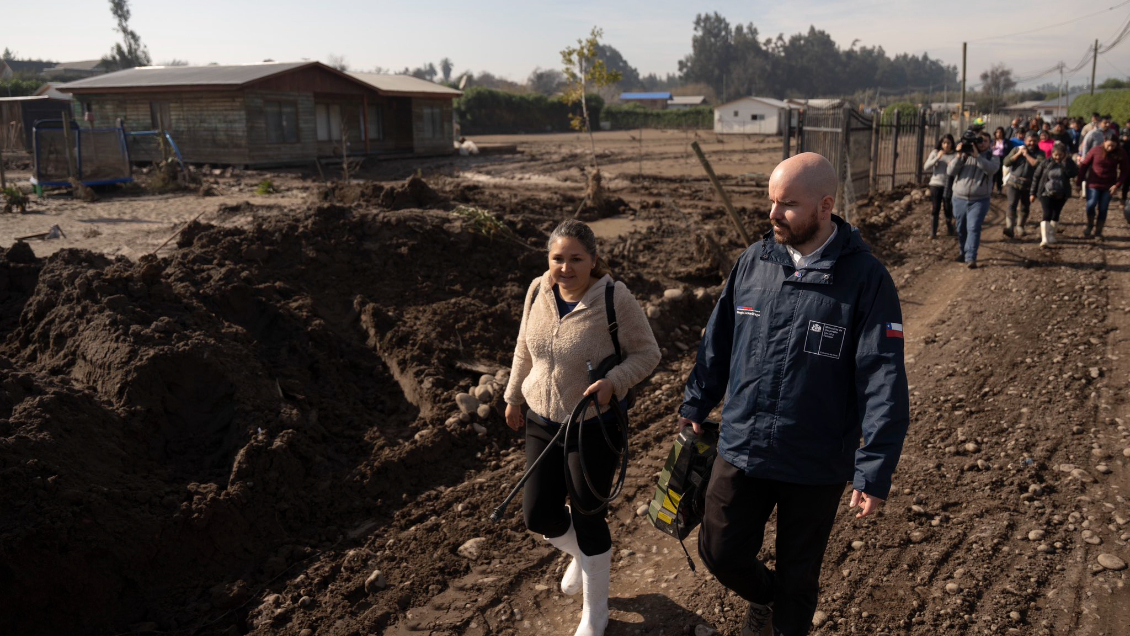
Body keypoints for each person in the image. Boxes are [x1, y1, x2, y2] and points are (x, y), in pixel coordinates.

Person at [678, 152, 910, 636]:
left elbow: (882, 377)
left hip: (815, 459)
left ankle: (784, 617)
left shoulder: (866, 279)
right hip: (743, 444)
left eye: (787, 204)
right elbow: (718, 340)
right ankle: (765, 597)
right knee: (719, 550)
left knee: (799, 577)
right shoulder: (754, 261)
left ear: (825, 207)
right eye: (771, 201)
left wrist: (874, 466)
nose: (773, 214)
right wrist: (697, 400)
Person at [503, 219, 660, 636]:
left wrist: (614, 382)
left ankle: (596, 612)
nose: (565, 267)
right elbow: (523, 346)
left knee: (589, 516)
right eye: (558, 258)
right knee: (538, 514)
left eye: (576, 259)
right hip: (541, 418)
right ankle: (583, 556)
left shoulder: (614, 297)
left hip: (592, 424)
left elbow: (648, 353)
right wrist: (513, 395)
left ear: (593, 260)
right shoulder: (537, 290)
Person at [948, 131, 999, 268]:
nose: (982, 144)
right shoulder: (964, 155)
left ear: (990, 143)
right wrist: (959, 156)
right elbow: (950, 172)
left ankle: (971, 257)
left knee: (973, 227)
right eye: (979, 140)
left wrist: (977, 157)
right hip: (959, 198)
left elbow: (991, 169)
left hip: (979, 200)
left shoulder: (993, 157)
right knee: (961, 228)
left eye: (985, 141)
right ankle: (963, 251)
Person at [1077, 136, 1130, 239]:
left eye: (1113, 146)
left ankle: (1098, 231)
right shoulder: (1096, 150)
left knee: (1103, 208)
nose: (1110, 148)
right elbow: (1084, 165)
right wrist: (1079, 182)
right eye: (1109, 145)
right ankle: (1090, 224)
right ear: (1104, 142)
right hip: (1093, 183)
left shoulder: (1120, 153)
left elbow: (1125, 170)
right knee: (1091, 204)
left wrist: (1117, 185)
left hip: (1109, 186)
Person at [1030, 142, 1078, 247]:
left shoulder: (1068, 163)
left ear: (1064, 154)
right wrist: (1032, 193)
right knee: (1047, 213)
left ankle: (1051, 235)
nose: (1057, 157)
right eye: (1055, 155)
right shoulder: (1045, 163)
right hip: (1045, 192)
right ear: (1052, 154)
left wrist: (1066, 162)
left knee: (1056, 214)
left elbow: (1073, 173)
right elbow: (1036, 177)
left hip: (1061, 193)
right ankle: (1044, 239)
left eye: (1060, 155)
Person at [1002, 132, 1045, 238]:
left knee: (1025, 206)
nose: (1032, 143)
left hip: (1028, 184)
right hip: (1013, 183)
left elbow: (1038, 164)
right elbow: (1006, 162)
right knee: (1012, 204)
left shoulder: (1040, 153)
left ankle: (1020, 226)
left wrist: (1026, 155)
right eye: (1030, 141)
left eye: (1034, 141)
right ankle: (1010, 227)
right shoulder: (1016, 149)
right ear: (1025, 141)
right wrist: (1018, 154)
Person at [923, 134, 957, 238]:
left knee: (948, 208)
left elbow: (958, 170)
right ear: (941, 144)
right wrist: (937, 158)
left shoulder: (955, 155)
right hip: (936, 184)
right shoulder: (935, 153)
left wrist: (953, 165)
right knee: (935, 207)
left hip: (949, 185)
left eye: (948, 143)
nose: (946, 145)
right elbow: (926, 167)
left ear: (952, 144)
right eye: (944, 143)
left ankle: (950, 228)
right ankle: (933, 232)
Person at [991, 127, 1010, 194]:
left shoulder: (1006, 141)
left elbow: (1008, 150)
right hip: (993, 158)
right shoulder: (992, 141)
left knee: (1000, 174)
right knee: (993, 174)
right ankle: (991, 188)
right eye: (997, 132)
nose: (998, 134)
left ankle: (999, 189)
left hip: (1001, 158)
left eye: (1000, 132)